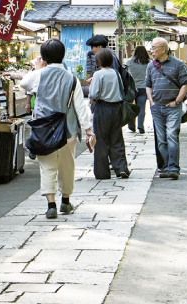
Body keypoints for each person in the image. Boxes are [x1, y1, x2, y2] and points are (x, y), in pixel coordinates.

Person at [31, 39, 94, 219]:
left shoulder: (38, 75)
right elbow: (81, 107)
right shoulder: (72, 79)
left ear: (43, 57)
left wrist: (37, 69)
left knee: (47, 166)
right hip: (68, 130)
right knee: (67, 165)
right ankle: (65, 202)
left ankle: (51, 205)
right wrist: (88, 129)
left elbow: (24, 84)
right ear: (63, 55)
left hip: (44, 130)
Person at [145, 37, 187, 179]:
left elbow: (185, 84)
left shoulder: (178, 64)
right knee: (161, 139)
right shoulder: (150, 66)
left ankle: (173, 167)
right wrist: (151, 102)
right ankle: (165, 167)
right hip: (157, 107)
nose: (151, 50)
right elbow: (148, 85)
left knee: (172, 135)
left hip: (172, 107)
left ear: (163, 49)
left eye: (154, 47)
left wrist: (177, 101)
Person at [87, 48, 131, 179]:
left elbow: (94, 94)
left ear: (98, 61)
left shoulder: (98, 75)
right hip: (116, 108)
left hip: (102, 108)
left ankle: (102, 172)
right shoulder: (115, 73)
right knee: (117, 138)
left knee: (101, 140)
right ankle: (121, 168)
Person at [125, 45, 151, 134]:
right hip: (144, 88)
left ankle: (131, 126)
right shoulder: (149, 63)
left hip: (132, 88)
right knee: (141, 108)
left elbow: (124, 73)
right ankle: (141, 126)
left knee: (132, 107)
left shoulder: (129, 62)